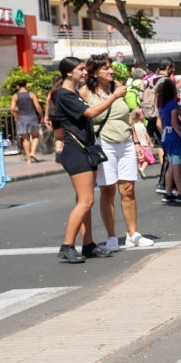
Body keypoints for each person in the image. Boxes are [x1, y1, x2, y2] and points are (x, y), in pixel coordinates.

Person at [48, 56, 127, 264]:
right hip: (76, 151)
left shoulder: (74, 92)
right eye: (81, 69)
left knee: (84, 201)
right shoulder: (65, 95)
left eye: (85, 69)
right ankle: (67, 245)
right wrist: (114, 97)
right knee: (86, 201)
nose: (85, 72)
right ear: (68, 73)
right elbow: (91, 112)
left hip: (85, 149)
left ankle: (89, 244)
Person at [81, 55, 154, 250]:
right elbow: (88, 116)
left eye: (110, 67)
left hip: (126, 142)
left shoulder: (118, 86)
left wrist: (137, 141)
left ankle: (133, 234)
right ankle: (111, 236)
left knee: (128, 189)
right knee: (108, 190)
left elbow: (127, 116)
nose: (111, 71)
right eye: (106, 68)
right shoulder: (85, 92)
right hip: (104, 142)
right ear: (95, 72)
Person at [155, 78, 181, 200]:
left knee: (170, 164)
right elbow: (175, 123)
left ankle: (168, 191)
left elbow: (161, 123)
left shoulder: (161, 105)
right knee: (177, 166)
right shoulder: (173, 105)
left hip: (166, 135)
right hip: (174, 136)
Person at [12, 80, 43, 162]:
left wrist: (16, 116)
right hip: (32, 117)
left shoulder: (15, 96)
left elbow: (12, 108)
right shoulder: (31, 94)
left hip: (21, 118)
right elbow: (37, 106)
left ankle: (28, 159)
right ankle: (32, 152)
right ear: (26, 86)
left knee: (25, 139)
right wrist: (41, 115)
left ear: (18, 86)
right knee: (35, 136)